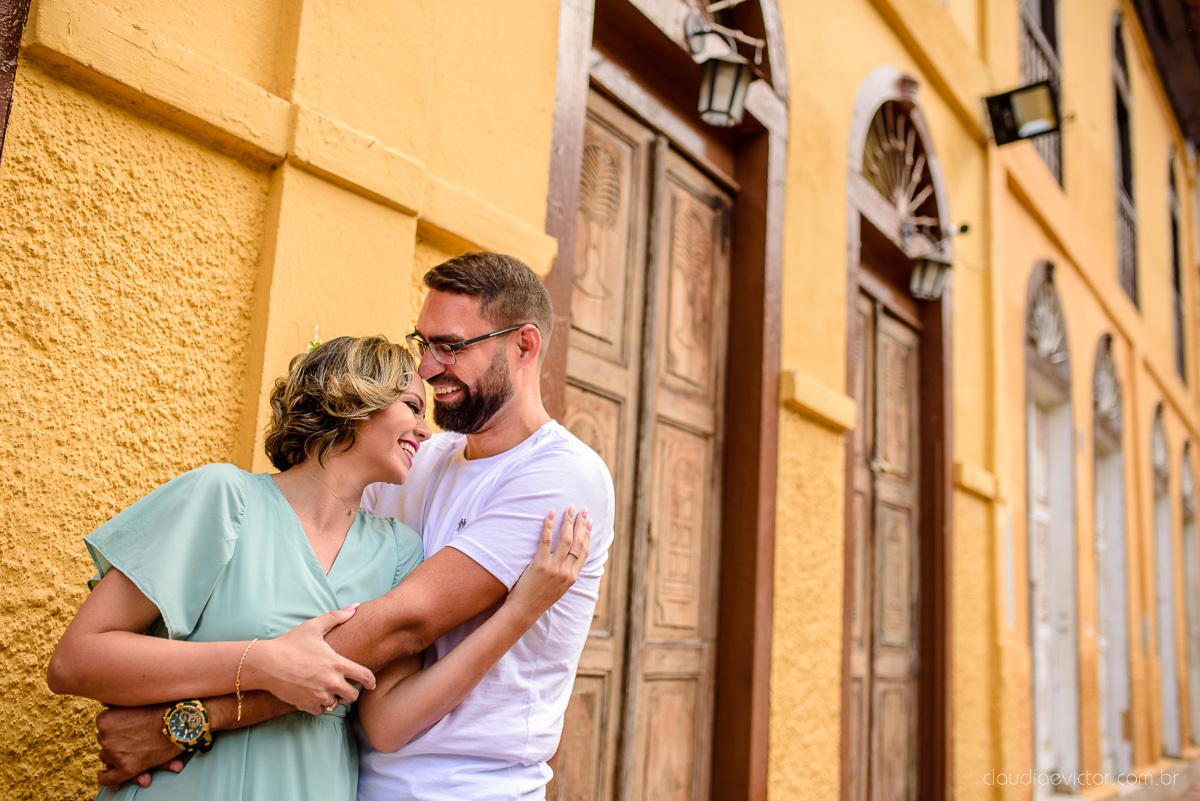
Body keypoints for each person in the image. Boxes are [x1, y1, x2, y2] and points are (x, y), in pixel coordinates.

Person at [93, 252, 616, 801]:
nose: (428, 367)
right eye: (422, 344)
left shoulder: (561, 475)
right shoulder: (415, 461)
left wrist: (189, 722)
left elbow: (401, 626)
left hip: (467, 787)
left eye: (451, 346)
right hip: (342, 778)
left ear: (524, 345)